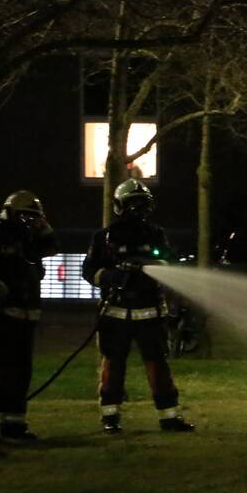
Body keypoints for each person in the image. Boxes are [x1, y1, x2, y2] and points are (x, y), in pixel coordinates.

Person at [82, 178, 195, 434]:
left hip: (150, 313)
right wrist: (111, 276)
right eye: (132, 204)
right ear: (120, 206)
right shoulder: (104, 237)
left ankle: (169, 417)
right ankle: (110, 417)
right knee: (113, 365)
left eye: (142, 204)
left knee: (158, 364)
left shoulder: (156, 235)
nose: (138, 210)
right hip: (115, 313)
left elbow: (171, 264)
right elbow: (89, 270)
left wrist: (148, 266)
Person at [0, 190, 58, 442]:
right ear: (10, 213)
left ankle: (14, 425)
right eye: (25, 216)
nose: (29, 221)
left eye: (33, 217)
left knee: (21, 372)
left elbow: (51, 248)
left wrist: (43, 226)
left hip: (26, 317)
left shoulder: (29, 238)